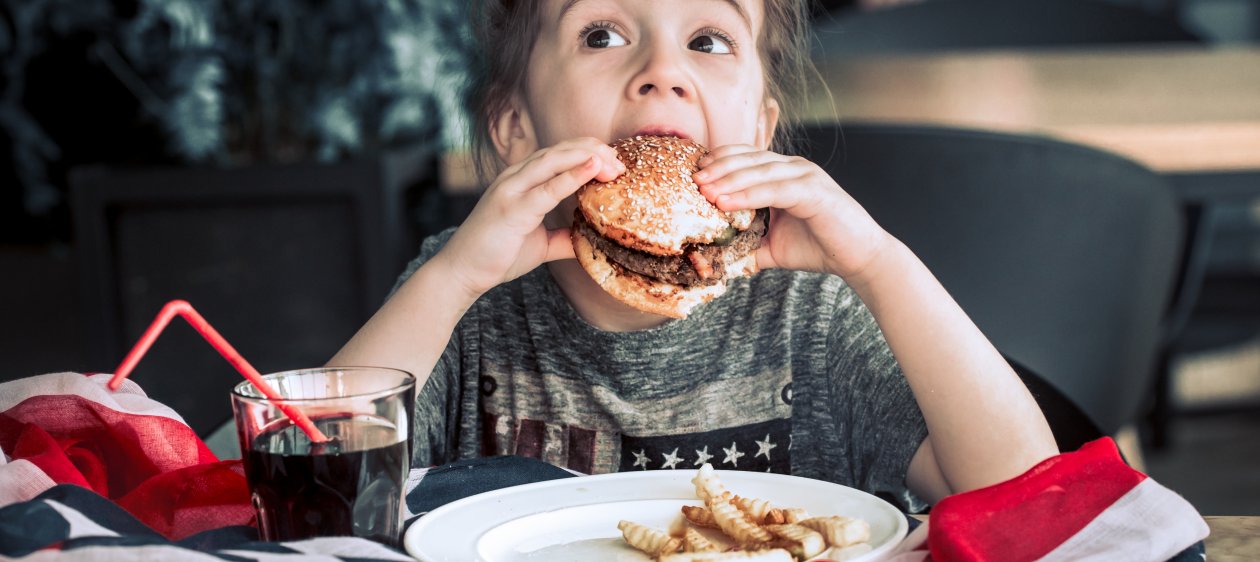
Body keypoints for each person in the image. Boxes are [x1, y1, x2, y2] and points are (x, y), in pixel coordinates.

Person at [329, 0, 1057, 510]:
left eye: (708, 41)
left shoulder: (814, 310)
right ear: (516, 127)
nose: (661, 71)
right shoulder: (463, 297)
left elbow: (1026, 493)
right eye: (602, 34)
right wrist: (451, 279)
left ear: (762, 131)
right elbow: (322, 484)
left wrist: (880, 263)